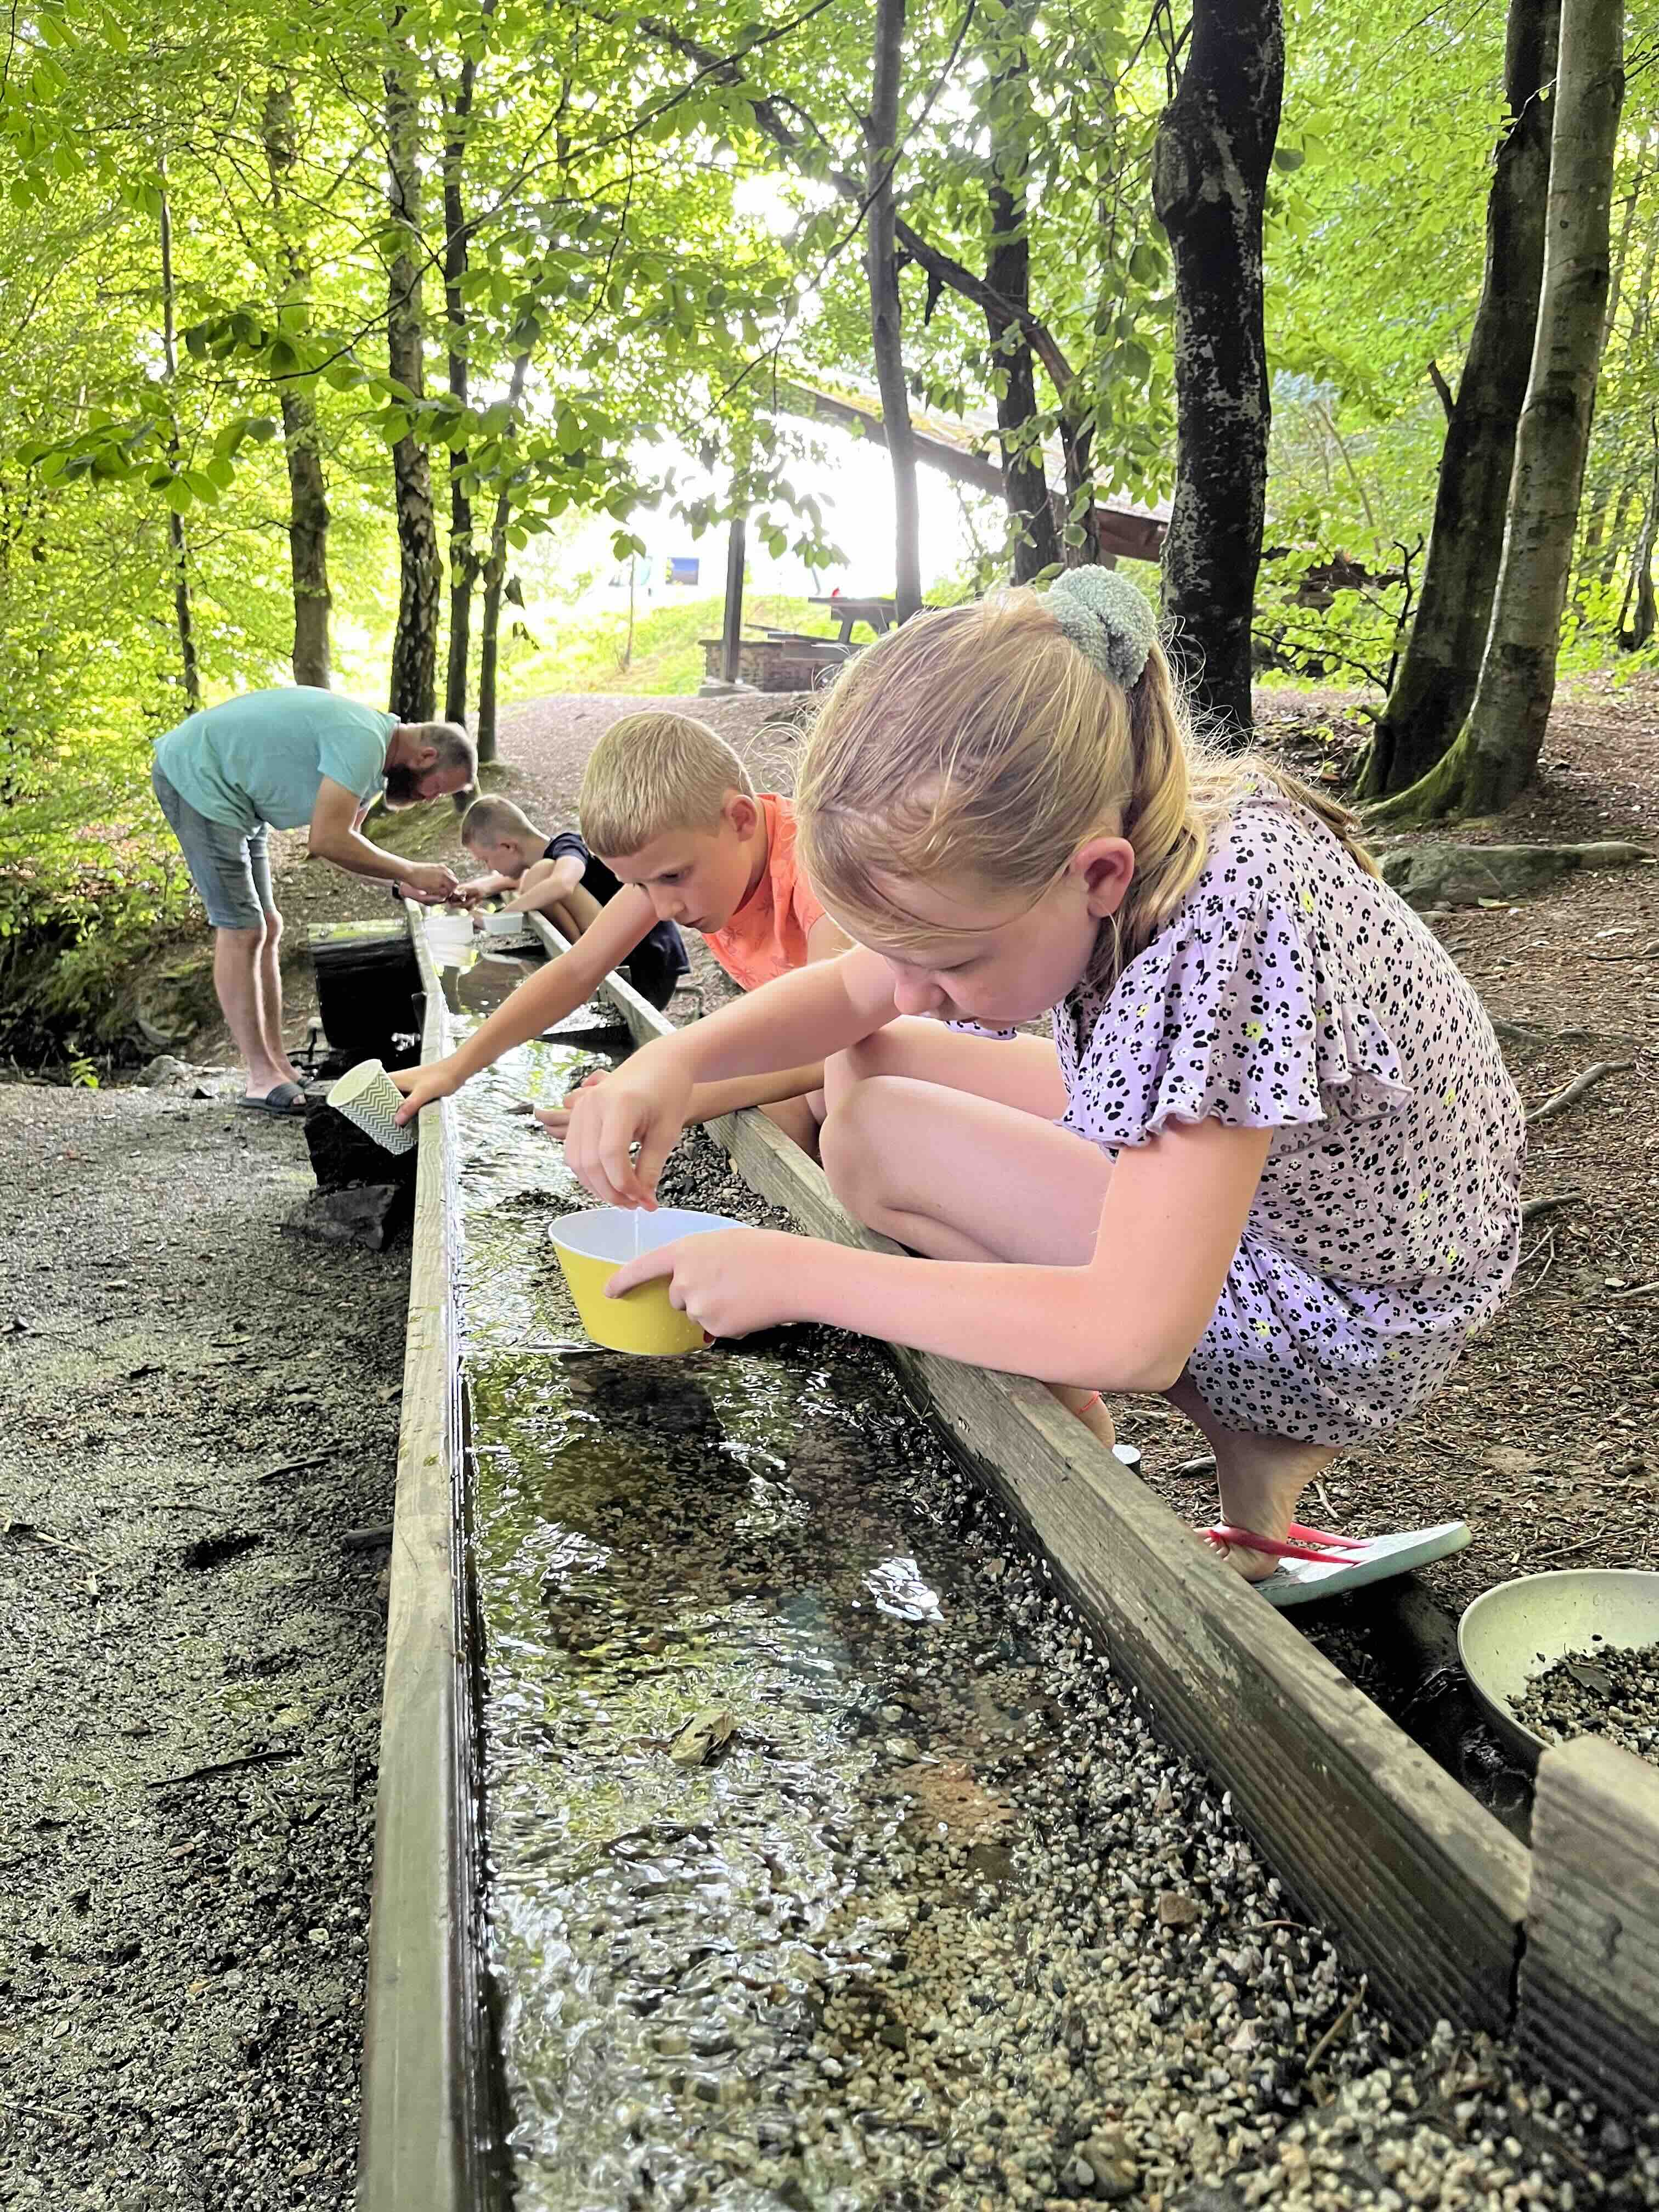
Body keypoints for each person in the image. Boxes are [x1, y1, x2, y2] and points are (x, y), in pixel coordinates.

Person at [563, 572, 1526, 1592]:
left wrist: (796, 1275)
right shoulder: (1143, 820)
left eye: (950, 959)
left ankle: (1230, 1441)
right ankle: (1199, 1457)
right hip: (1322, 1217)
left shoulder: (1220, 935)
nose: (912, 992)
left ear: (1097, 876)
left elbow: (1133, 1334)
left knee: (875, 1140)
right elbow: (857, 991)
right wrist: (672, 1062)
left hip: (1348, 1322)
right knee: (876, 1062)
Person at [392, 712, 848, 1149]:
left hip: (865, 1054)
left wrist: (675, 1094)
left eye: (672, 877)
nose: (663, 908)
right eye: (640, 886)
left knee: (841, 1108)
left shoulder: (823, 874)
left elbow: (834, 1042)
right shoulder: (677, 861)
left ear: (740, 820)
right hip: (803, 1035)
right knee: (767, 1120)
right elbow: (577, 971)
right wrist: (456, 1067)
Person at [151, 689, 476, 1116]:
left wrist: (401, 885)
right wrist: (411, 870)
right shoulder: (364, 741)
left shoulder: (373, 762)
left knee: (268, 925)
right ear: (426, 757)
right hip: (198, 778)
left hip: (241, 803)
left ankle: (278, 1066)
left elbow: (343, 847)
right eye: (436, 789)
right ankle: (260, 1078)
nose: (429, 800)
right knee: (242, 928)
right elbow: (326, 839)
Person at [451, 794, 689, 1011]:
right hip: (634, 961)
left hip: (647, 966)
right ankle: (574, 971)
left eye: (486, 860)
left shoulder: (568, 845)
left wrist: (499, 919)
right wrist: (483, 887)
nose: (489, 868)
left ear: (507, 846)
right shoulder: (551, 856)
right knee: (536, 879)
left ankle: (575, 975)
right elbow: (516, 881)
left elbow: (563, 884)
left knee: (541, 874)